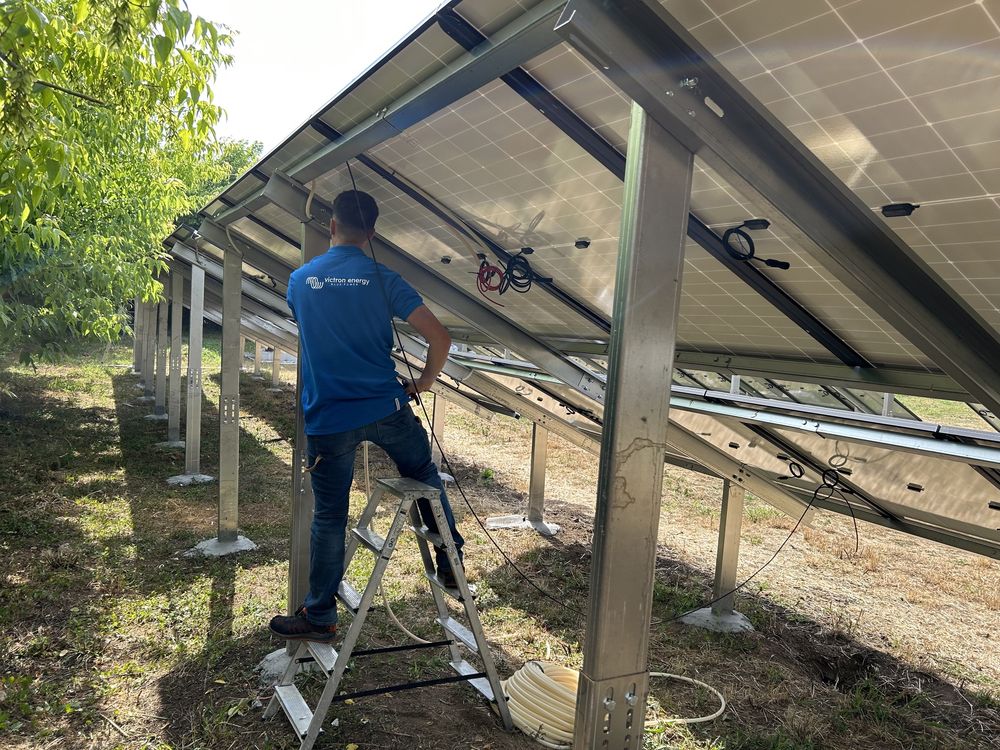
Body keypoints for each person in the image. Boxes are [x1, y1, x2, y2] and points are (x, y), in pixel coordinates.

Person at [269, 189, 464, 642]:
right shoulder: (385, 278)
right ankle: (450, 563)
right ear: (371, 233)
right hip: (386, 407)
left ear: (331, 227)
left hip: (329, 417)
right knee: (421, 474)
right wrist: (424, 384)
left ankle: (319, 616)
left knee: (330, 516)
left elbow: (311, 325)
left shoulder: (301, 281)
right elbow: (440, 338)